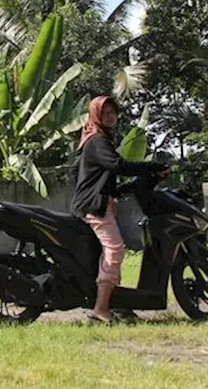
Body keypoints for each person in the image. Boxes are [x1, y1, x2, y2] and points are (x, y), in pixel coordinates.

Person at [70, 95, 165, 324]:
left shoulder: (94, 139)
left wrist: (118, 191)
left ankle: (118, 304)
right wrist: (152, 166)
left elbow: (88, 175)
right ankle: (100, 309)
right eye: (105, 113)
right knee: (115, 250)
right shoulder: (98, 141)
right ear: (96, 116)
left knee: (109, 254)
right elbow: (118, 165)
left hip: (96, 204)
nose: (110, 116)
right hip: (95, 207)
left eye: (113, 112)